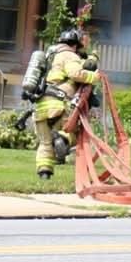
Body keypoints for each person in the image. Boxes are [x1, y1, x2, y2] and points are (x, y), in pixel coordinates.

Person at [31, 27, 100, 181]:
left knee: (45, 143)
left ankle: (44, 174)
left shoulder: (50, 56)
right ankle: (62, 140)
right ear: (74, 45)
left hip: (41, 106)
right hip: (58, 105)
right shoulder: (68, 55)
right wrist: (94, 77)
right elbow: (76, 74)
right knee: (74, 132)